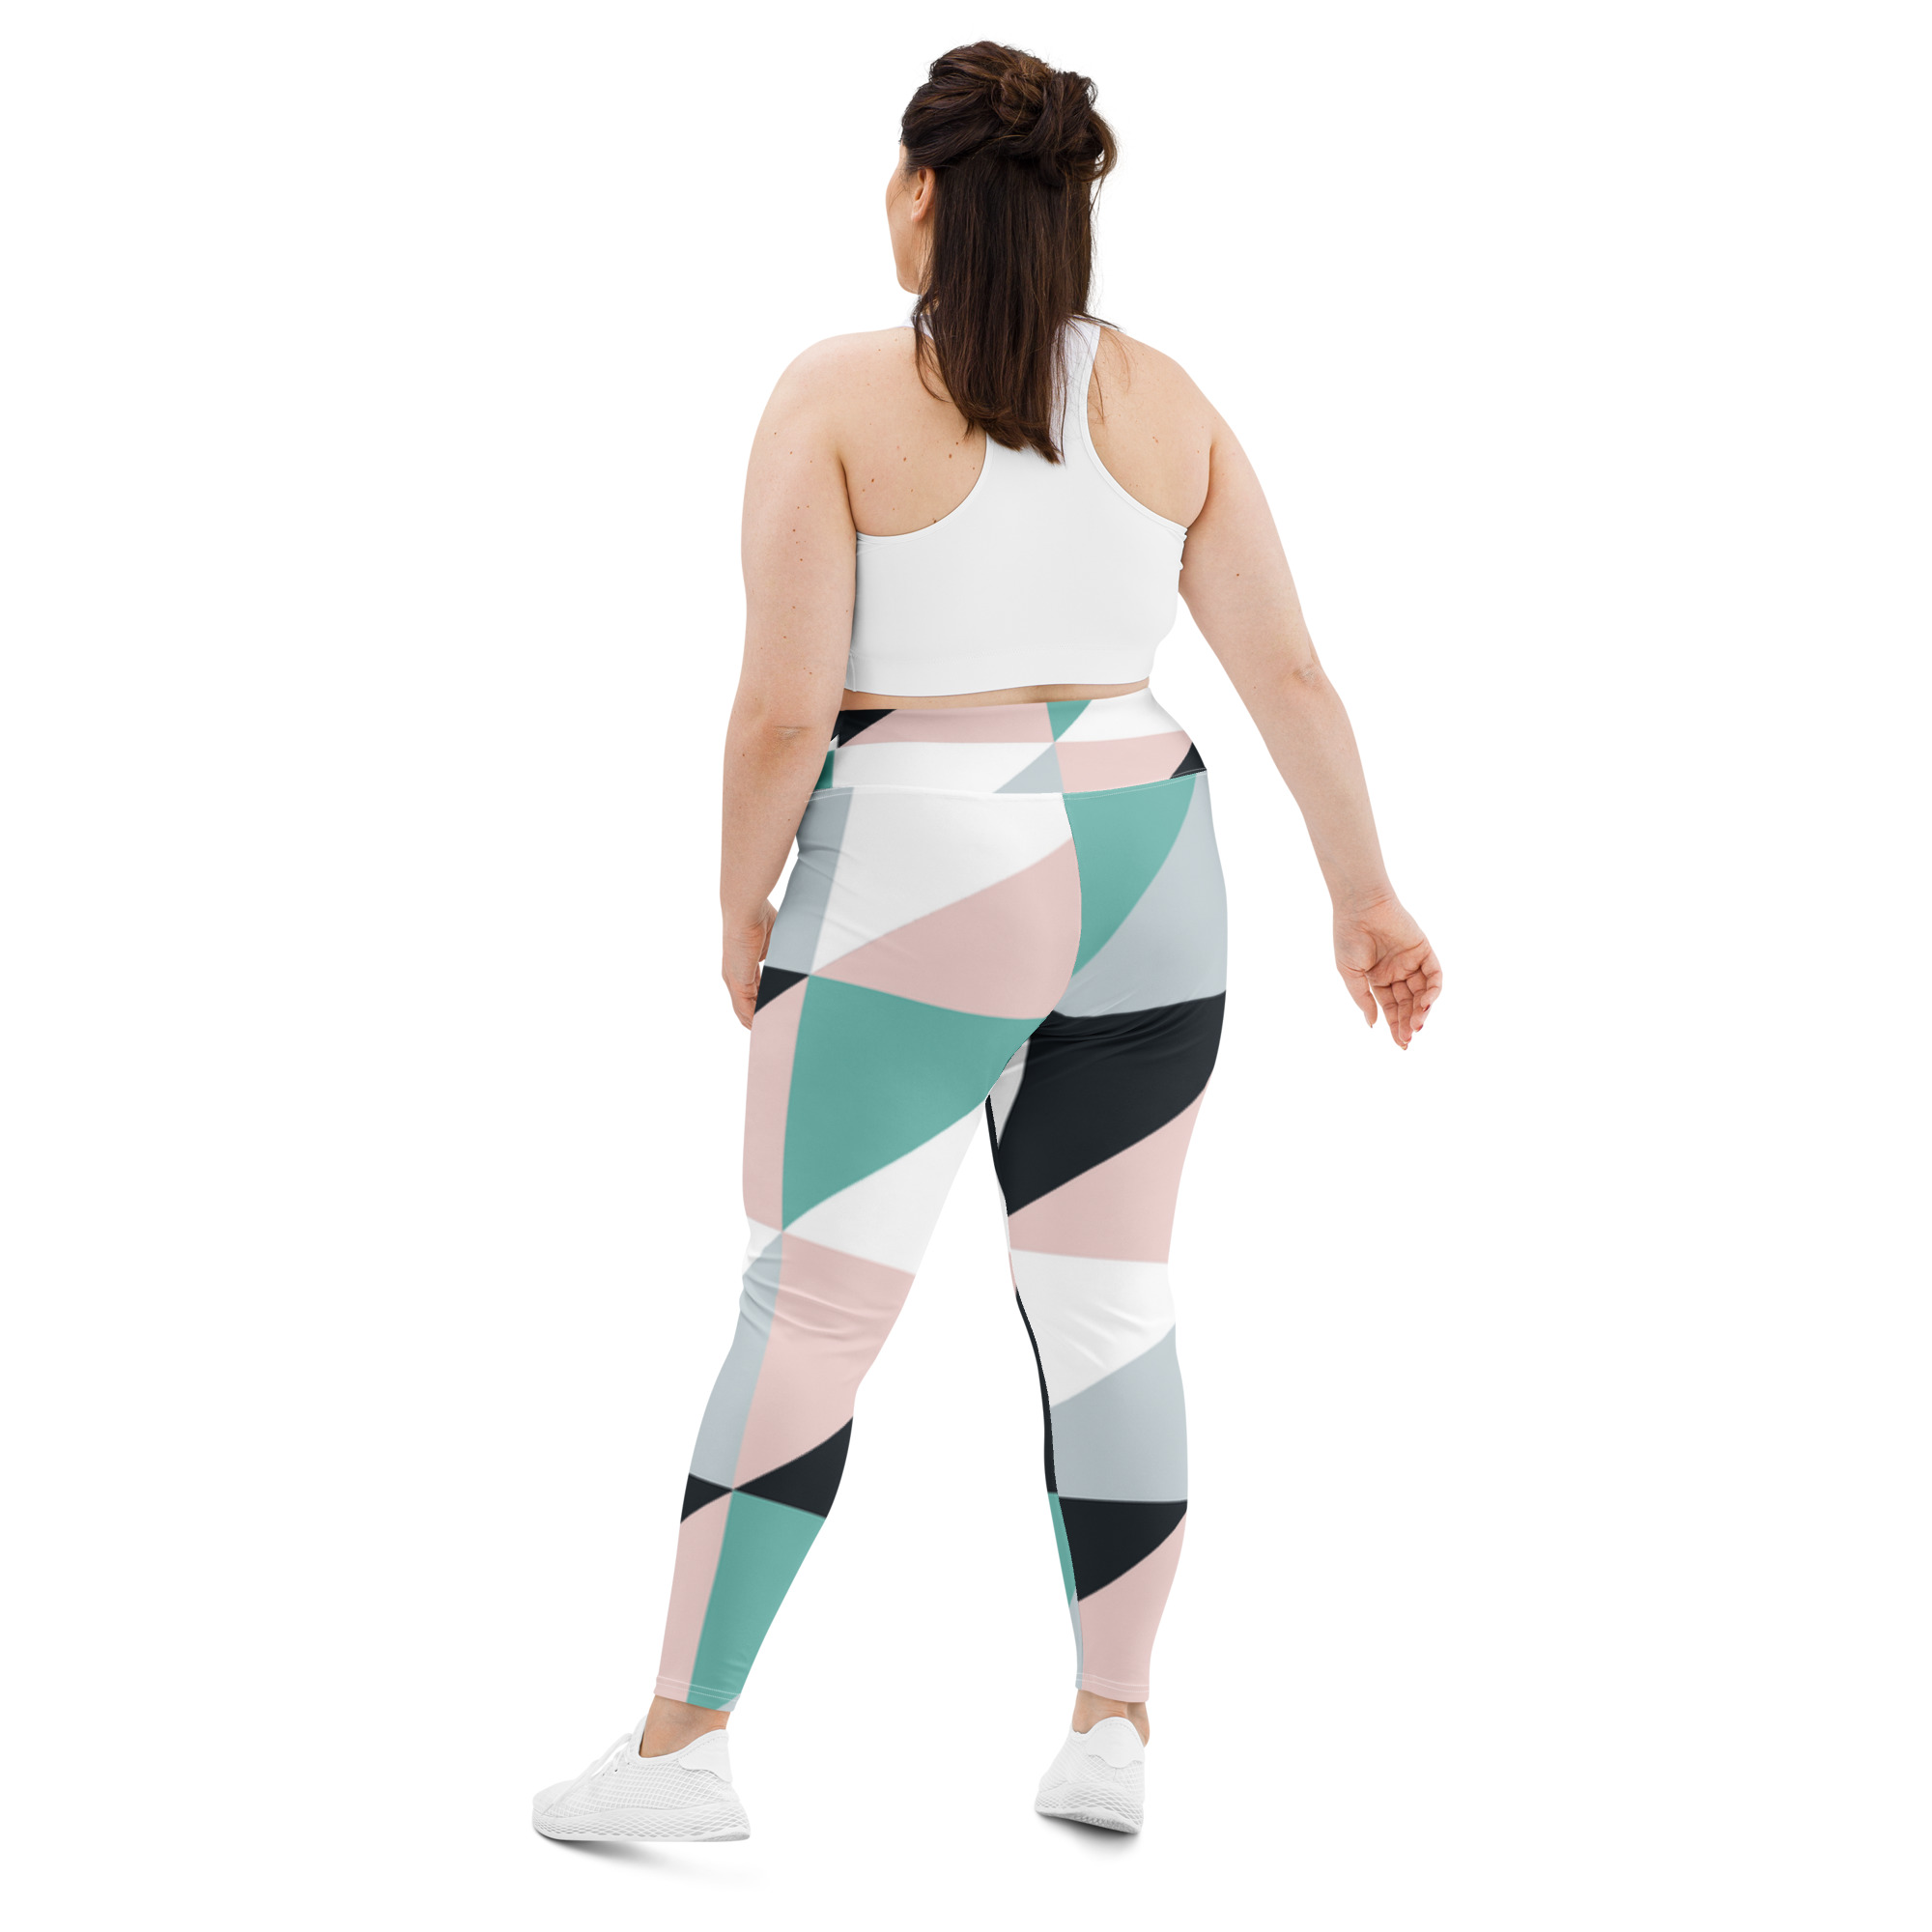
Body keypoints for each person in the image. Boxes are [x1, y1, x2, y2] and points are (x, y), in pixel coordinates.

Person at [532, 40, 1441, 1843]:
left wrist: (740, 897)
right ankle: (1115, 1727)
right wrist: (1366, 894)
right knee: (1110, 1303)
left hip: (922, 863)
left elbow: (780, 714)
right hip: (1152, 847)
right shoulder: (1169, 401)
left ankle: (681, 1750)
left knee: (813, 1306)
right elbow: (1287, 672)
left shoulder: (840, 392)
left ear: (924, 195)